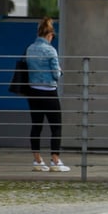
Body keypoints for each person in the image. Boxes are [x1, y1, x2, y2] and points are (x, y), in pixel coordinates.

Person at [25, 17, 69, 172]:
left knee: (36, 125)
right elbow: (56, 74)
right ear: (50, 34)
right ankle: (55, 160)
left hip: (33, 92)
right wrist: (60, 72)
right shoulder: (51, 50)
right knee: (56, 125)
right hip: (49, 92)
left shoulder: (30, 48)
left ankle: (37, 160)